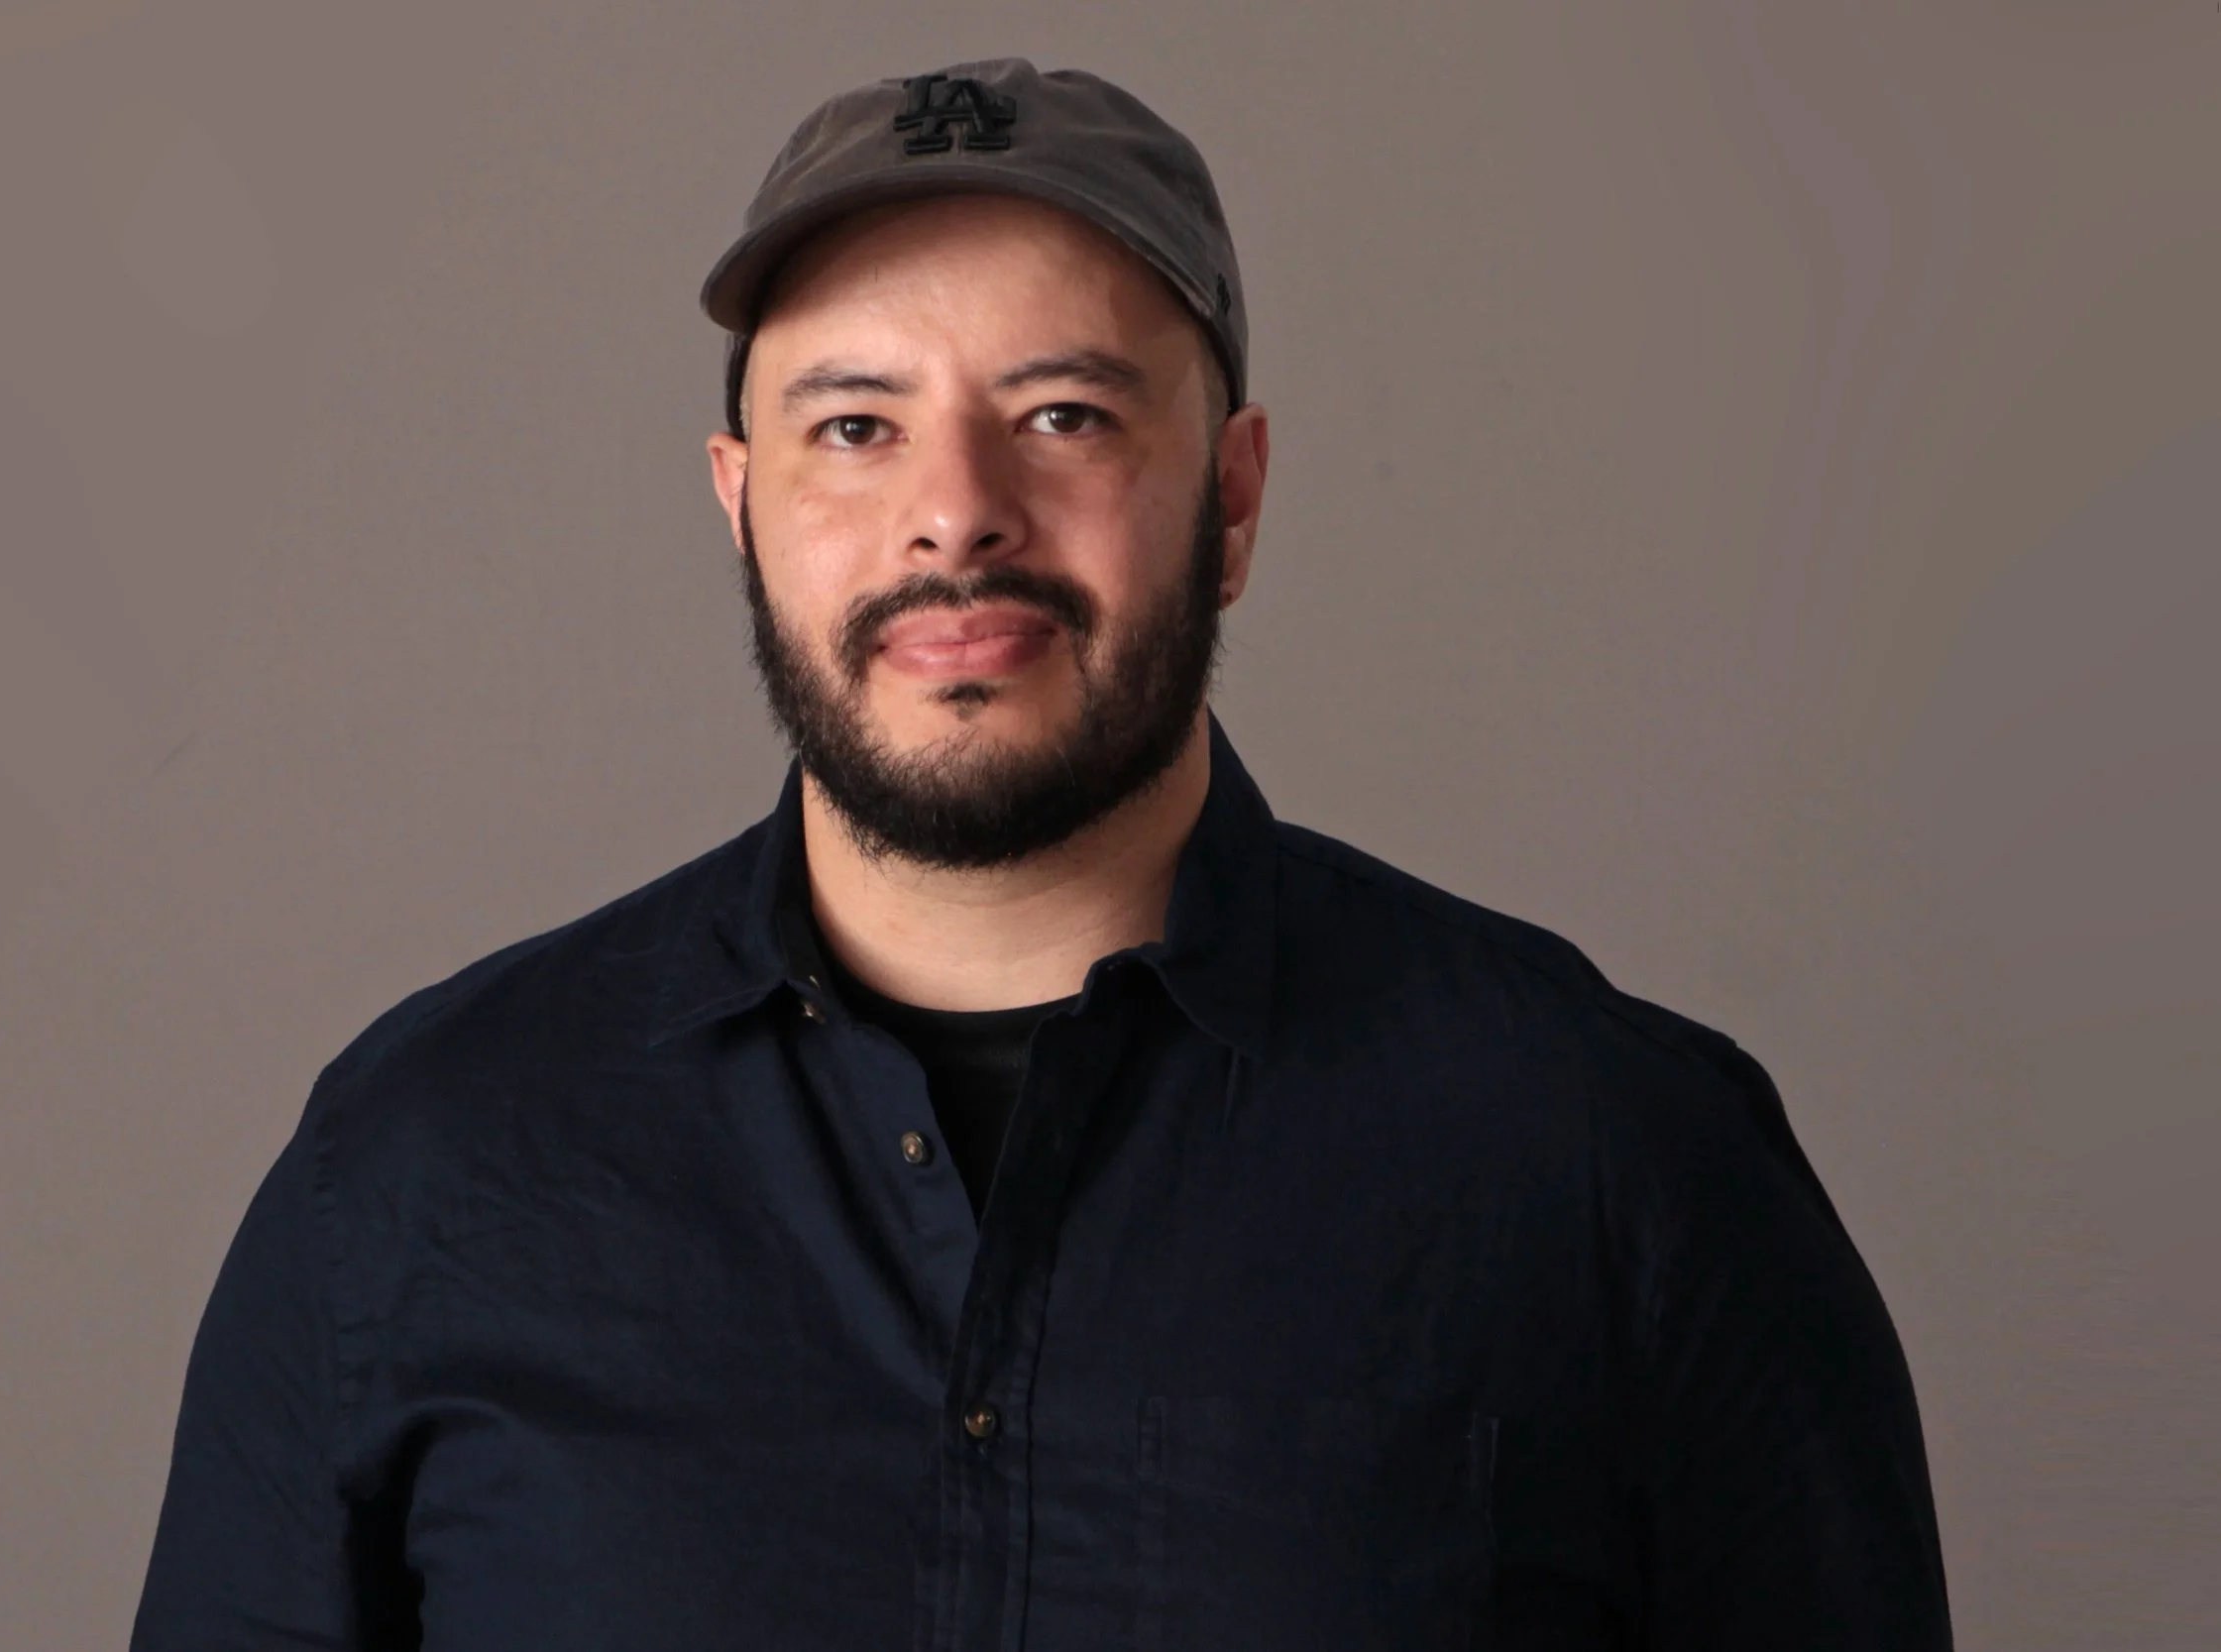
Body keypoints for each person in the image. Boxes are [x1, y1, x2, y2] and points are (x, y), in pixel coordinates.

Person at [131, 57, 1952, 1651]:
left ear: (1230, 498)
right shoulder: (420, 1170)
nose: (956, 514)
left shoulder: (1617, 1162)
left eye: (1064, 415)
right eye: (855, 427)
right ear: (742, 501)